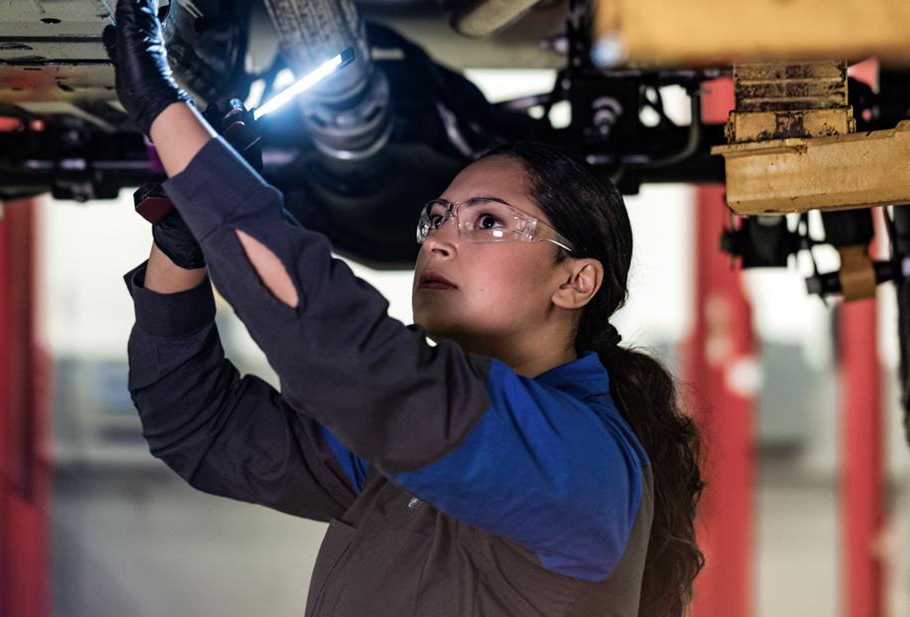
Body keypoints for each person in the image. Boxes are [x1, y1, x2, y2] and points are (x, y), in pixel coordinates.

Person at [104, 1, 705, 615]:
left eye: (488, 221)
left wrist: (175, 126)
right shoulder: (403, 446)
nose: (438, 239)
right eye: (439, 217)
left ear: (576, 281)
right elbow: (198, 426)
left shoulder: (584, 466)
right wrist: (181, 242)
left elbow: (346, 360)